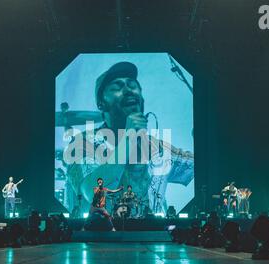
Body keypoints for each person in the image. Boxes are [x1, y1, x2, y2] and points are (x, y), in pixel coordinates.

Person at [66, 62, 194, 214]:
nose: (128, 90)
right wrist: (128, 137)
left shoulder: (155, 147)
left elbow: (199, 167)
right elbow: (94, 195)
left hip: (153, 236)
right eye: (117, 86)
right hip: (102, 236)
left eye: (132, 85)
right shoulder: (83, 143)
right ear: (101, 103)